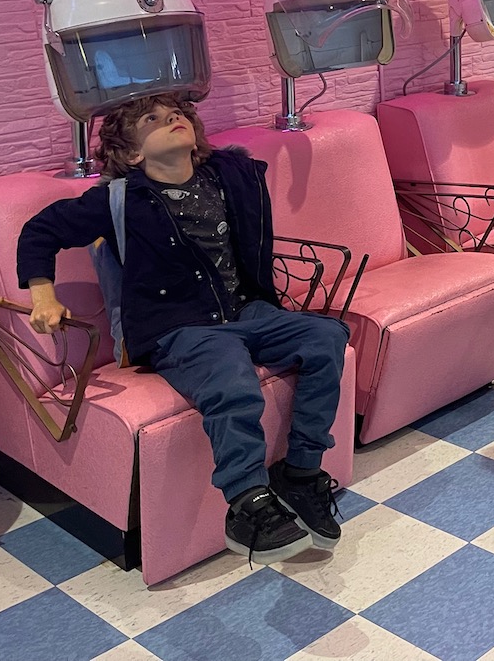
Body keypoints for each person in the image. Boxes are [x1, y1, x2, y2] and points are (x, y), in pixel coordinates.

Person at [17, 93, 350, 565]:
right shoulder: (120, 200)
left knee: (326, 336)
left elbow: (256, 165)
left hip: (246, 311)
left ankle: (300, 473)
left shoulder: (226, 176)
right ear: (133, 154)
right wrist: (43, 296)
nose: (173, 118)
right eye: (152, 120)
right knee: (231, 378)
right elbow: (39, 231)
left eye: (178, 114)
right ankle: (246, 502)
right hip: (180, 329)